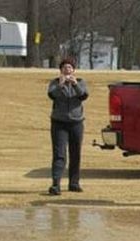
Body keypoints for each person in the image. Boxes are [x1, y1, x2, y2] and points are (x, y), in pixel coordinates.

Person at [47, 58, 88, 195]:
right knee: (59, 154)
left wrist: (75, 85)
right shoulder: (55, 83)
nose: (67, 70)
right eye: (65, 68)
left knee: (75, 153)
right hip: (59, 123)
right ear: (61, 70)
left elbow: (83, 96)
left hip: (76, 123)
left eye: (70, 68)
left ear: (74, 70)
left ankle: (74, 183)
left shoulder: (81, 82)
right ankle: (56, 184)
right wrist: (61, 85)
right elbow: (52, 95)